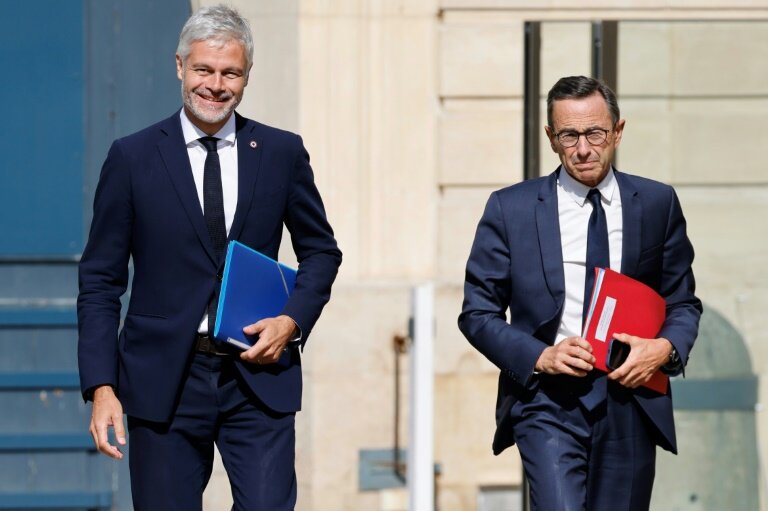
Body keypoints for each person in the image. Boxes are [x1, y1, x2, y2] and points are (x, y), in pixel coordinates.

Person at [77, 5, 341, 510]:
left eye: (230, 73)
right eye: (203, 69)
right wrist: (102, 386)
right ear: (179, 66)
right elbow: (100, 280)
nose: (216, 85)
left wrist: (292, 320)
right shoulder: (132, 158)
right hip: (164, 384)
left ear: (246, 77)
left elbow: (322, 252)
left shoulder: (282, 152)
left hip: (258, 377)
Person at [458, 75, 701, 510]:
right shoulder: (509, 209)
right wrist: (540, 355)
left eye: (595, 133)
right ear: (552, 138)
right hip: (546, 402)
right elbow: (477, 313)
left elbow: (682, 302)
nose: (583, 148)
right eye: (569, 135)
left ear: (618, 132)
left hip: (630, 399)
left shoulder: (657, 203)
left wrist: (663, 349)